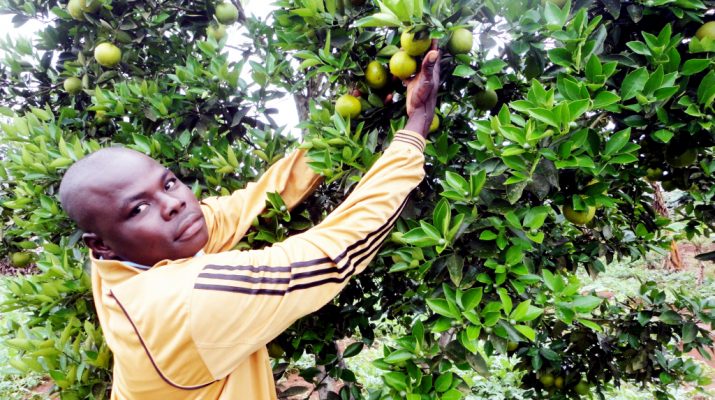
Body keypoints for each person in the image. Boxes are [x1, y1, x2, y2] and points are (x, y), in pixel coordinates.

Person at [58, 44, 441, 399]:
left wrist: (346, 123)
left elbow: (250, 203)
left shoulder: (125, 258)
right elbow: (332, 254)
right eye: (138, 209)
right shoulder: (184, 301)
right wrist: (415, 129)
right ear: (100, 243)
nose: (173, 205)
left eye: (169, 183)